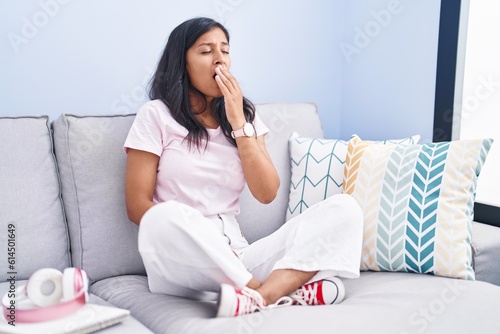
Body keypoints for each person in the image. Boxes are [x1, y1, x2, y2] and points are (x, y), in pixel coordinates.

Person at [123, 17, 363, 317]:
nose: (220, 59)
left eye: (225, 50)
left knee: (346, 209)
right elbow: (136, 206)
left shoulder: (244, 115)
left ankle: (259, 296)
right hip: (183, 260)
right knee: (166, 215)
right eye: (206, 51)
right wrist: (189, 229)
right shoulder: (155, 115)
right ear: (182, 63)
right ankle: (271, 289)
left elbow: (266, 192)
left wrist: (238, 122)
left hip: (239, 254)